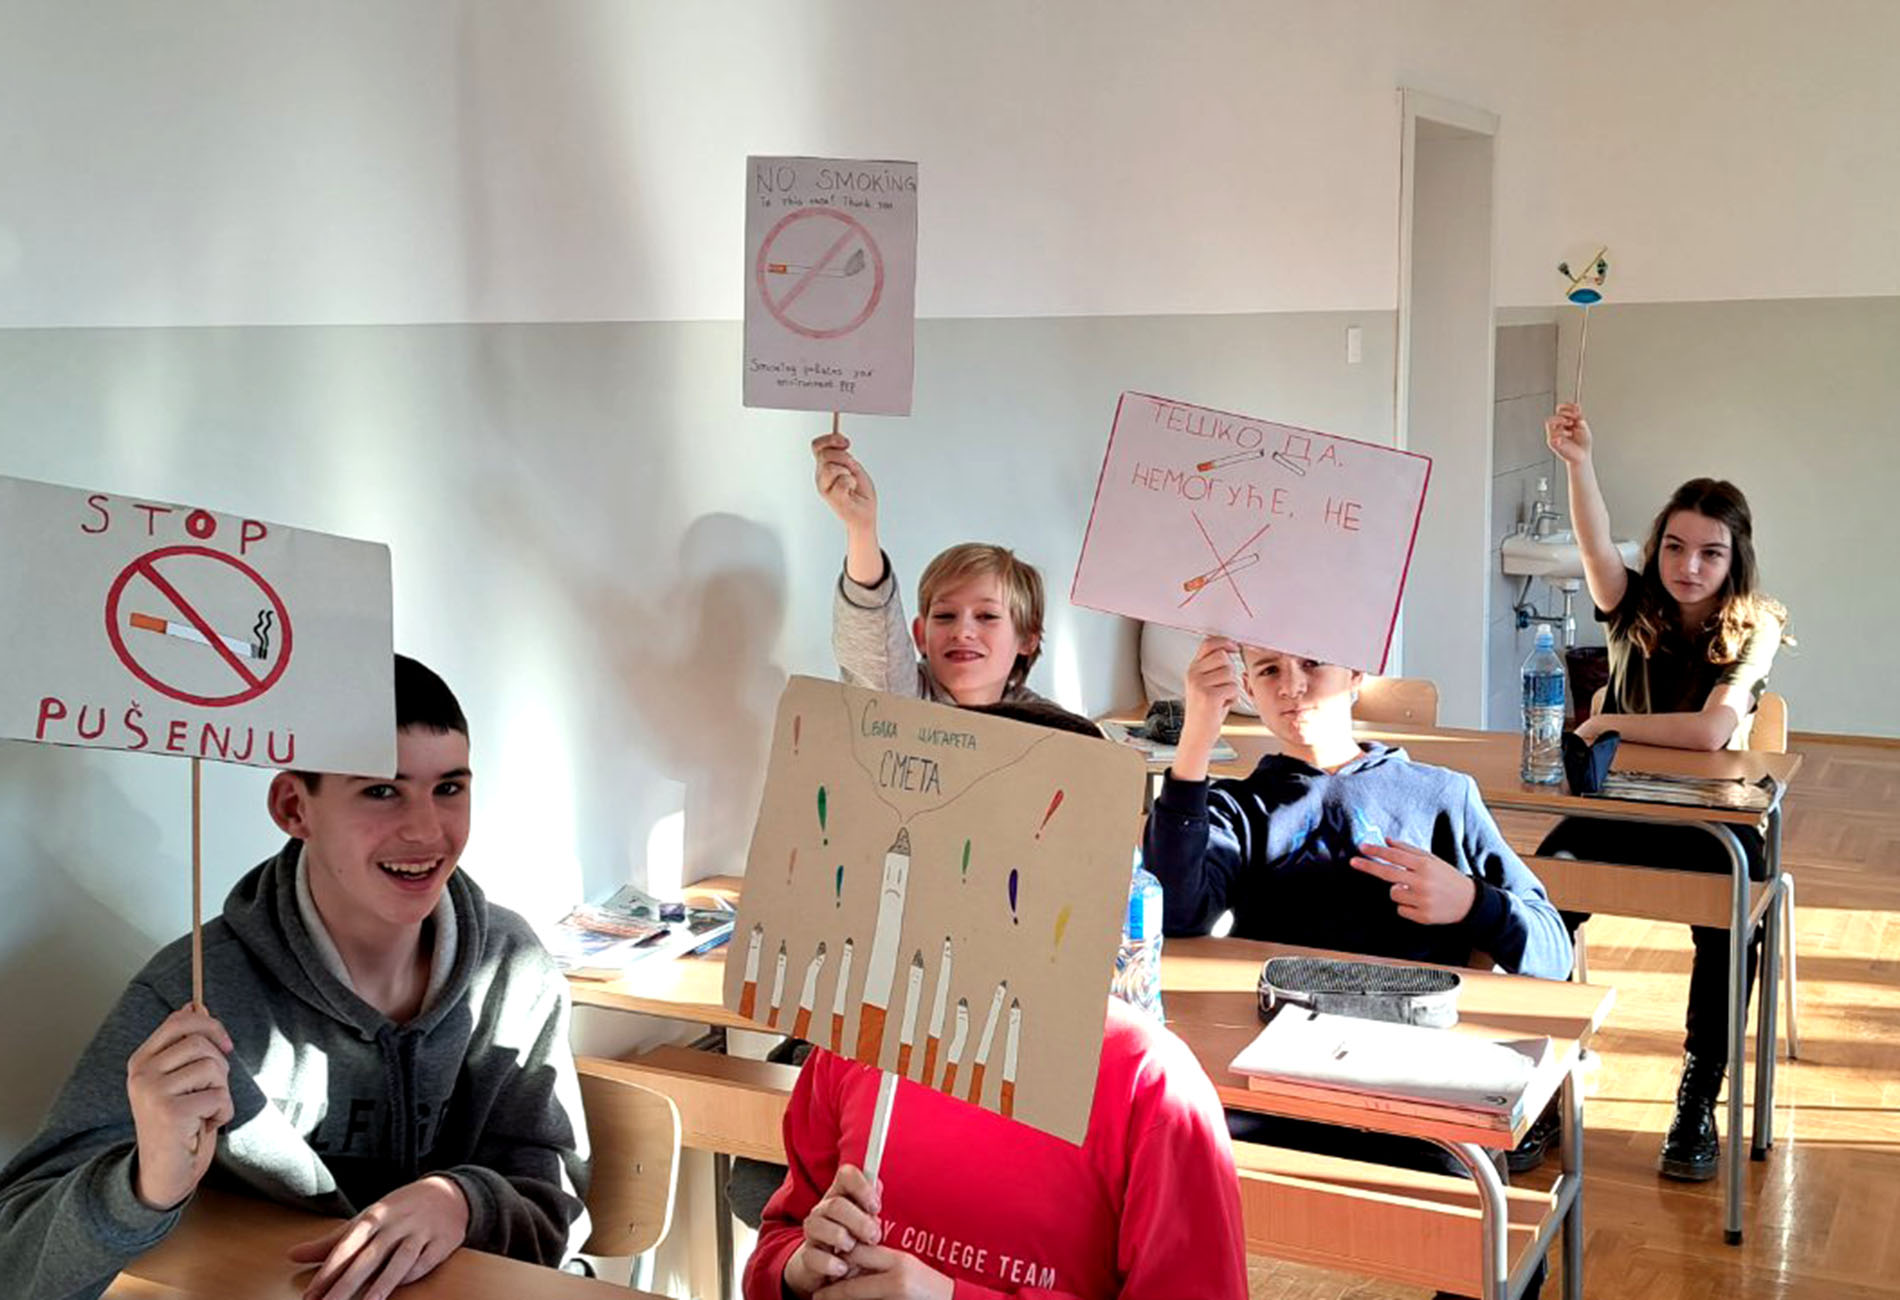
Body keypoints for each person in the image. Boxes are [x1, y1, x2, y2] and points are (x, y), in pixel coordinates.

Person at [0, 656, 589, 1300]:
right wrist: (143, 1186)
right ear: (293, 807)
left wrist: (463, 1202)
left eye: (448, 788)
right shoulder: (191, 996)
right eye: (381, 791)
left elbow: (555, 1215)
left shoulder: (513, 970)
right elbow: (15, 1261)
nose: (425, 830)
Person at [742, 699, 1249, 1300]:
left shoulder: (1152, 1088)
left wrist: (949, 1296)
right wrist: (799, 1268)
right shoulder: (862, 1045)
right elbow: (776, 1244)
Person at [1540, 402, 1789, 1182]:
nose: (1689, 566)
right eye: (1675, 547)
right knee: (1538, 896)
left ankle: (1698, 1096)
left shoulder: (1755, 626)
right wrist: (1580, 463)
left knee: (1726, 921)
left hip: (1711, 821)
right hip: (1619, 809)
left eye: (1711, 553)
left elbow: (1715, 732)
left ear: (1735, 560)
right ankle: (1543, 1073)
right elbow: (1593, 541)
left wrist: (1609, 721)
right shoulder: (1634, 604)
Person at [1144, 638, 1571, 981]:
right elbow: (1175, 919)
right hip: (1278, 1032)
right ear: (1248, 688)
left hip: (1409, 1038)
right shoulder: (1236, 810)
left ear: (1355, 672)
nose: (1291, 686)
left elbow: (1553, 953)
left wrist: (1472, 902)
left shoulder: (1442, 796)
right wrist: (1196, 738)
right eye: (1269, 669)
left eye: (1312, 662)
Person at [812, 431, 1046, 707]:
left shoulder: (1055, 727)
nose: (962, 631)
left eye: (987, 616)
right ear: (921, 635)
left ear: (1027, 639)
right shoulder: (900, 698)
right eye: (945, 616)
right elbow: (875, 649)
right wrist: (861, 528)